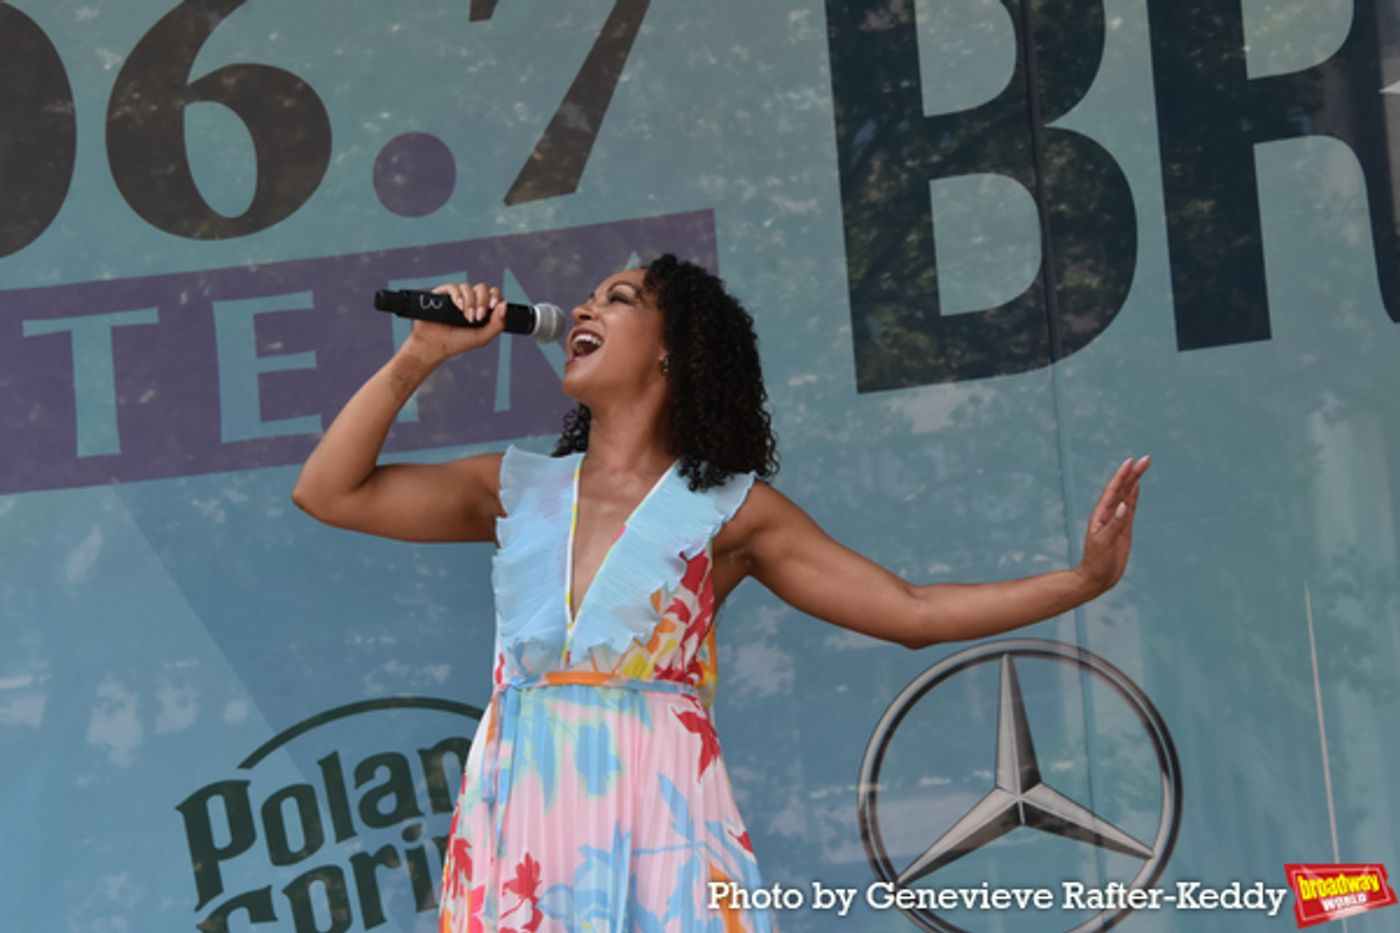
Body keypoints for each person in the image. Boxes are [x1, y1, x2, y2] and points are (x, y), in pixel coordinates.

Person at [290, 254, 1149, 932]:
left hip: (660, 824)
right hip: (523, 824)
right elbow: (328, 492)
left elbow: (912, 613)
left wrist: (1082, 580)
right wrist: (419, 356)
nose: (583, 310)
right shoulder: (516, 487)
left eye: (617, 298)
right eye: (586, 298)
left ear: (673, 350)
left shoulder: (730, 511)